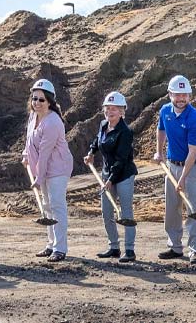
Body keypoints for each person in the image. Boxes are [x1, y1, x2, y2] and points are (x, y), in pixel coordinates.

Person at [153, 75, 196, 264]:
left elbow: (193, 152)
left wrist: (183, 178)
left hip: (191, 168)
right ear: (169, 95)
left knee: (192, 207)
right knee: (172, 208)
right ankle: (175, 247)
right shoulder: (165, 111)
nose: (181, 98)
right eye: (177, 94)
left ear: (190, 96)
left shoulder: (195, 119)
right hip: (171, 164)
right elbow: (161, 130)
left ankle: (195, 250)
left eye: (185, 95)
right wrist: (159, 152)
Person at [23, 79, 73, 262]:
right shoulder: (33, 116)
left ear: (50, 101)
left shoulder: (52, 122)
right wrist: (25, 154)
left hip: (58, 167)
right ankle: (51, 244)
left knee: (57, 206)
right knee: (47, 207)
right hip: (42, 167)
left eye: (41, 100)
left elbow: (45, 153)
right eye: (34, 99)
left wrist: (38, 177)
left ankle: (60, 248)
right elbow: (29, 139)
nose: (36, 103)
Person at [86, 91, 138, 263]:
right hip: (107, 173)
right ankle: (114, 247)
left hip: (123, 175)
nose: (110, 112)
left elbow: (122, 160)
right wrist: (91, 152)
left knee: (125, 212)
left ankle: (129, 250)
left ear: (122, 111)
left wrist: (110, 180)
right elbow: (98, 141)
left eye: (114, 108)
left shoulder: (126, 132)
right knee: (106, 212)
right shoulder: (103, 125)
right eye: (108, 108)